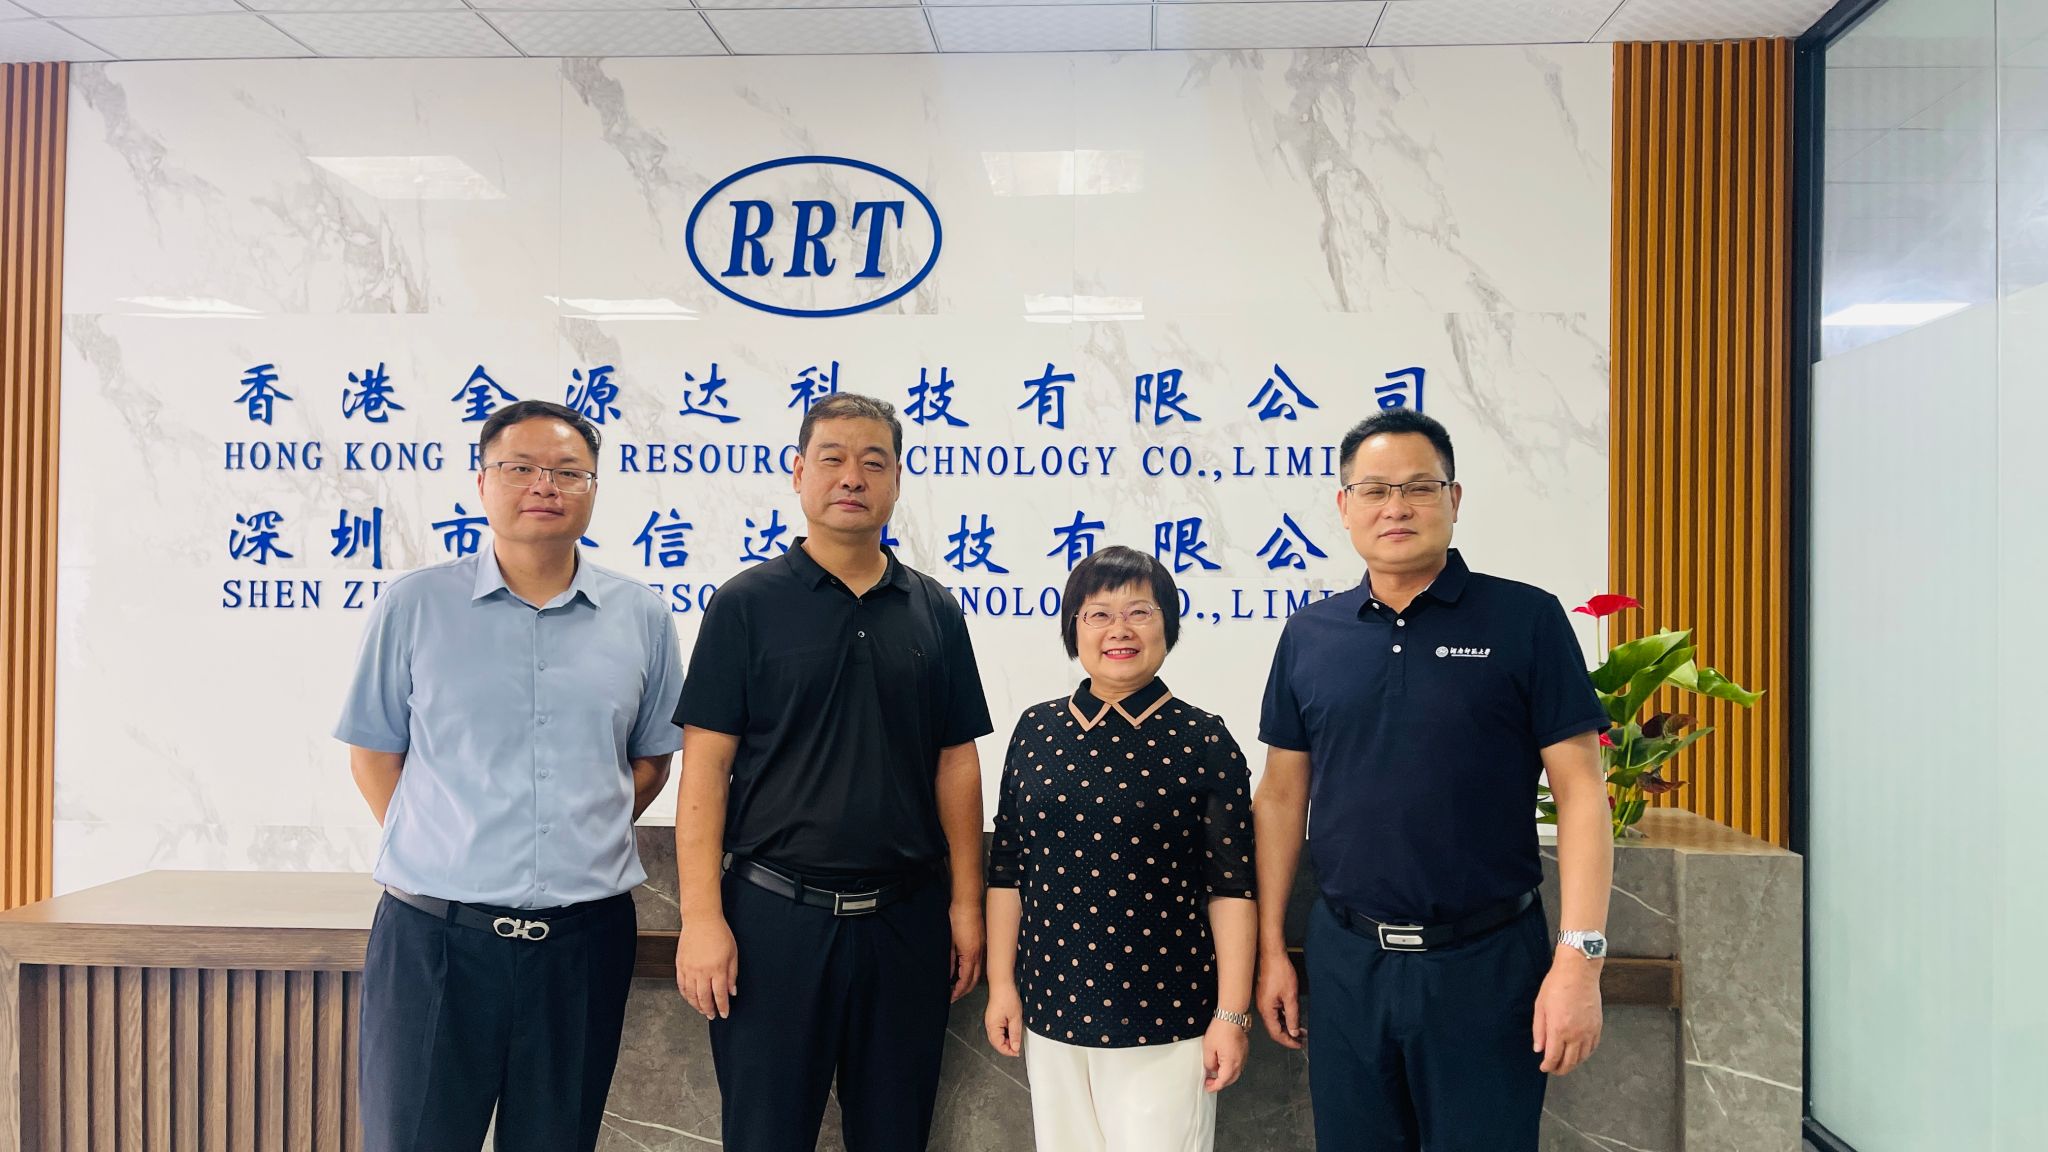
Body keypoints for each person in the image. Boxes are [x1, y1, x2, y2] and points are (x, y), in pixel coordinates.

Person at [1253, 408, 1613, 1152]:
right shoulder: (1310, 635)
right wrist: (1270, 950)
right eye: (1375, 490)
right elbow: (1282, 797)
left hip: (1487, 961)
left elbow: (1581, 792)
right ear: (1344, 506)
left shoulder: (1526, 620)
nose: (1397, 507)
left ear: (1455, 499)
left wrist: (1579, 961)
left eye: (1419, 487)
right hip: (1347, 959)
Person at [335, 399, 683, 1152]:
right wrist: (450, 841)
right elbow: (374, 754)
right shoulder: (415, 605)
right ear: (482, 482)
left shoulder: (642, 616)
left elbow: (652, 758)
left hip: (581, 944)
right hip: (435, 940)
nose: (544, 486)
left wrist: (573, 830)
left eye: (568, 472)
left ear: (593, 488)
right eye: (520, 467)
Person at [671, 392, 993, 1152]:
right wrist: (702, 917)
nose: (853, 477)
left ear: (897, 481)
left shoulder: (934, 609)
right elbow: (706, 769)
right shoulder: (745, 605)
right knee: (765, 1135)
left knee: (895, 1134)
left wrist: (965, 904)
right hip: (773, 923)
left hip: (905, 921)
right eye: (833, 458)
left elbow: (956, 763)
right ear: (798, 473)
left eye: (874, 462)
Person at [984, 545, 1257, 1152]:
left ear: (1168, 625)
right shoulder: (1036, 730)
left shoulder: (1202, 739)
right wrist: (1002, 984)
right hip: (1051, 1009)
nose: (1119, 630)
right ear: (1073, 628)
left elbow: (1233, 888)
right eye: (1099, 614)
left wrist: (1231, 1014)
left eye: (1139, 612)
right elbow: (1007, 871)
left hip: (1166, 1015)